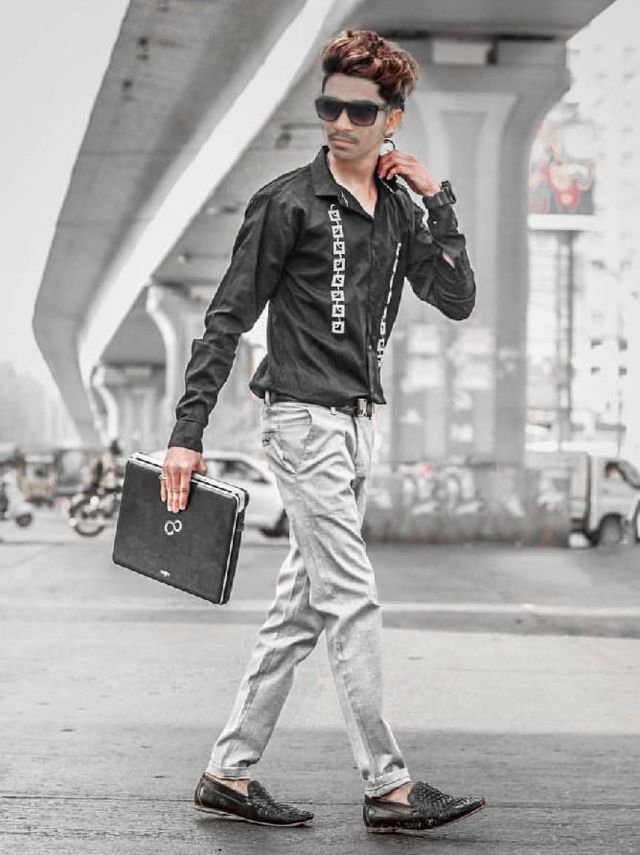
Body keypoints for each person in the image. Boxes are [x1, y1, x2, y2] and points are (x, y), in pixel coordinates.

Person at [161, 29, 486, 834]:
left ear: (392, 119)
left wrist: (438, 198)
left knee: (300, 611)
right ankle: (389, 786)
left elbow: (456, 299)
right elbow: (226, 318)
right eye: (329, 107)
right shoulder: (287, 202)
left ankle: (227, 773)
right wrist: (187, 430)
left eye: (359, 111)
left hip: (359, 424)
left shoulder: (400, 211)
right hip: (302, 420)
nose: (340, 123)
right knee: (352, 599)